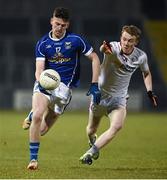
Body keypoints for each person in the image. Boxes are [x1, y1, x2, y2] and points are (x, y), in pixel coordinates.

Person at [23, 7, 101, 170]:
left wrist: (94, 84)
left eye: (63, 25)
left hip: (64, 91)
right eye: (57, 24)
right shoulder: (43, 43)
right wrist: (41, 82)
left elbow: (94, 58)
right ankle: (33, 160)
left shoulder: (76, 40)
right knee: (38, 116)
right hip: (45, 85)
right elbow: (39, 68)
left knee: (42, 130)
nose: (59, 28)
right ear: (51, 21)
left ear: (67, 25)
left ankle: (33, 113)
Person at [79, 25, 158, 165]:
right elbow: (104, 50)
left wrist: (150, 91)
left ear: (136, 42)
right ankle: (92, 141)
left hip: (119, 99)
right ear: (120, 38)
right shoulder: (113, 48)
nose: (126, 43)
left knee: (117, 126)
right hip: (100, 96)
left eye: (130, 40)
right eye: (124, 39)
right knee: (91, 129)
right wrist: (104, 49)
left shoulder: (140, 56)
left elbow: (146, 73)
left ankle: (90, 153)